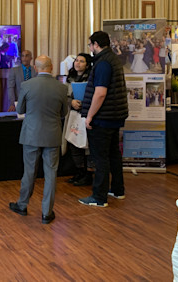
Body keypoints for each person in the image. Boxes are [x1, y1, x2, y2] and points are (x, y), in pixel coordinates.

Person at [9, 56, 67, 224]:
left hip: (31, 135)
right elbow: (63, 112)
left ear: (35, 68)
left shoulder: (27, 85)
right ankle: (47, 213)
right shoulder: (61, 87)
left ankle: (22, 205)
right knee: (51, 174)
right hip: (52, 135)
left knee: (29, 172)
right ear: (51, 67)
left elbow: (20, 109)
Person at [79, 31, 128, 208]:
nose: (90, 48)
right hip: (114, 116)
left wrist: (90, 116)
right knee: (113, 154)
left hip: (103, 118)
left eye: (90, 45)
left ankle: (99, 197)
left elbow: (100, 93)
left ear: (96, 44)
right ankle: (117, 190)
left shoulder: (103, 63)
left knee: (100, 158)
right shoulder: (113, 59)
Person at [65, 53, 93, 186]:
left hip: (87, 114)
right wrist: (71, 102)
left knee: (86, 145)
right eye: (76, 60)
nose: (78, 63)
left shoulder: (92, 77)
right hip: (73, 114)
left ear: (87, 65)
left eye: (82, 61)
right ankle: (79, 171)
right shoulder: (70, 77)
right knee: (73, 142)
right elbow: (65, 96)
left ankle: (88, 174)